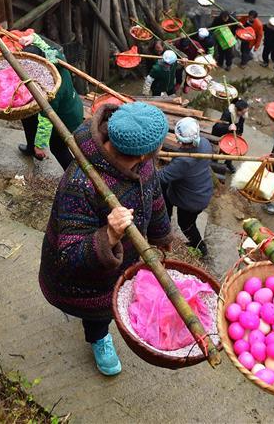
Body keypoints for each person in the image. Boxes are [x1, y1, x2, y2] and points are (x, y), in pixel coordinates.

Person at [38, 102, 172, 376]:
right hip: (88, 276)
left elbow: (153, 193)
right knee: (98, 313)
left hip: (126, 258)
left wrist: (161, 233)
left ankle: (99, 328)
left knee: (114, 298)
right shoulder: (80, 183)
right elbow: (69, 254)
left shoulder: (143, 163)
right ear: (145, 152)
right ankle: (99, 338)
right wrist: (109, 235)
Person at [18, 33, 83, 170]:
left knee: (58, 147)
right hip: (70, 103)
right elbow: (46, 47)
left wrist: (40, 145)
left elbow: (46, 118)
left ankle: (72, 175)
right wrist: (34, 38)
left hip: (66, 117)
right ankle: (30, 147)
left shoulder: (51, 88)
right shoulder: (55, 57)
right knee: (28, 116)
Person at [159, 117, 213, 257]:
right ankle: (166, 219)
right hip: (202, 188)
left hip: (192, 201)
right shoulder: (205, 143)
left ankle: (200, 247)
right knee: (165, 192)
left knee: (186, 224)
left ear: (179, 139)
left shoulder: (183, 161)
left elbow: (161, 177)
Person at [212, 98, 248, 173]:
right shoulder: (228, 113)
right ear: (237, 110)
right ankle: (214, 162)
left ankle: (228, 163)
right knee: (217, 150)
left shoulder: (242, 114)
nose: (245, 114)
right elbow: (218, 126)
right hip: (220, 134)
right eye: (243, 112)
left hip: (231, 135)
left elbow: (241, 125)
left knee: (233, 149)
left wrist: (239, 133)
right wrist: (228, 127)